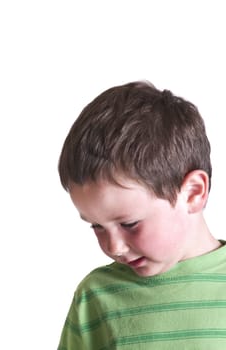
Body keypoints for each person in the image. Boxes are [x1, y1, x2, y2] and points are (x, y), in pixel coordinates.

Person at [57, 81, 226, 350]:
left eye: (129, 223)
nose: (114, 247)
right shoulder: (95, 296)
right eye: (97, 226)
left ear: (193, 193)